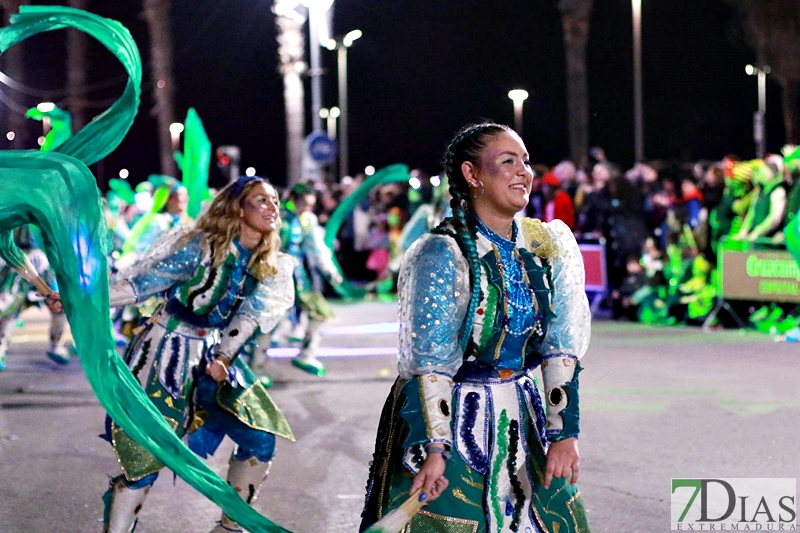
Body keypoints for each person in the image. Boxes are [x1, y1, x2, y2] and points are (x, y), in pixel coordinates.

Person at [360, 123, 591, 533]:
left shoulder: (548, 244)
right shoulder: (441, 253)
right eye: (507, 162)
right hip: (454, 422)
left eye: (525, 160)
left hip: (523, 416)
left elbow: (561, 345)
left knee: (551, 517)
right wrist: (434, 449)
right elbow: (429, 363)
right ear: (473, 175)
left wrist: (563, 433)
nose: (524, 171)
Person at [45, 176, 296, 533]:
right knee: (145, 454)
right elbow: (138, 285)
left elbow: (249, 315)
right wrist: (78, 297)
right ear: (238, 208)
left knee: (259, 437)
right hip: (164, 352)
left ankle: (230, 528)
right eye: (261, 201)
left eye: (274, 201)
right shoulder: (199, 247)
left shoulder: (269, 263)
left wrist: (224, 357)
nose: (273, 208)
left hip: (213, 354)